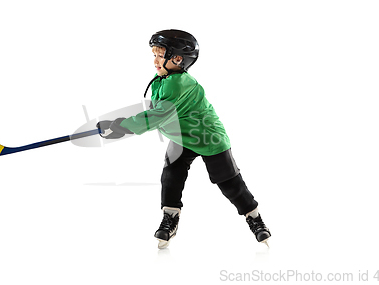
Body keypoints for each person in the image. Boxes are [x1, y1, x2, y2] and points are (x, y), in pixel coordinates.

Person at [96, 30, 270, 249]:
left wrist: (119, 125)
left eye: (160, 55)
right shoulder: (164, 79)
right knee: (171, 177)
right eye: (154, 54)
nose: (155, 60)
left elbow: (154, 118)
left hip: (209, 138)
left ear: (178, 59)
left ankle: (254, 217)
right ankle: (170, 219)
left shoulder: (178, 84)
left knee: (229, 183)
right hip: (181, 136)